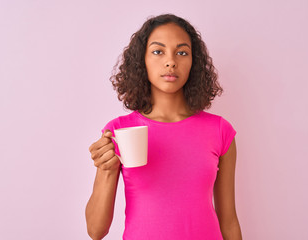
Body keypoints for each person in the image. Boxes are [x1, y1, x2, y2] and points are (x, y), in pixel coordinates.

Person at [86, 14, 242, 240]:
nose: (171, 61)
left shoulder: (220, 130)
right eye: (158, 51)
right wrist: (105, 170)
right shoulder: (118, 131)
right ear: (143, 61)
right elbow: (95, 231)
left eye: (182, 52)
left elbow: (229, 222)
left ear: (193, 63)